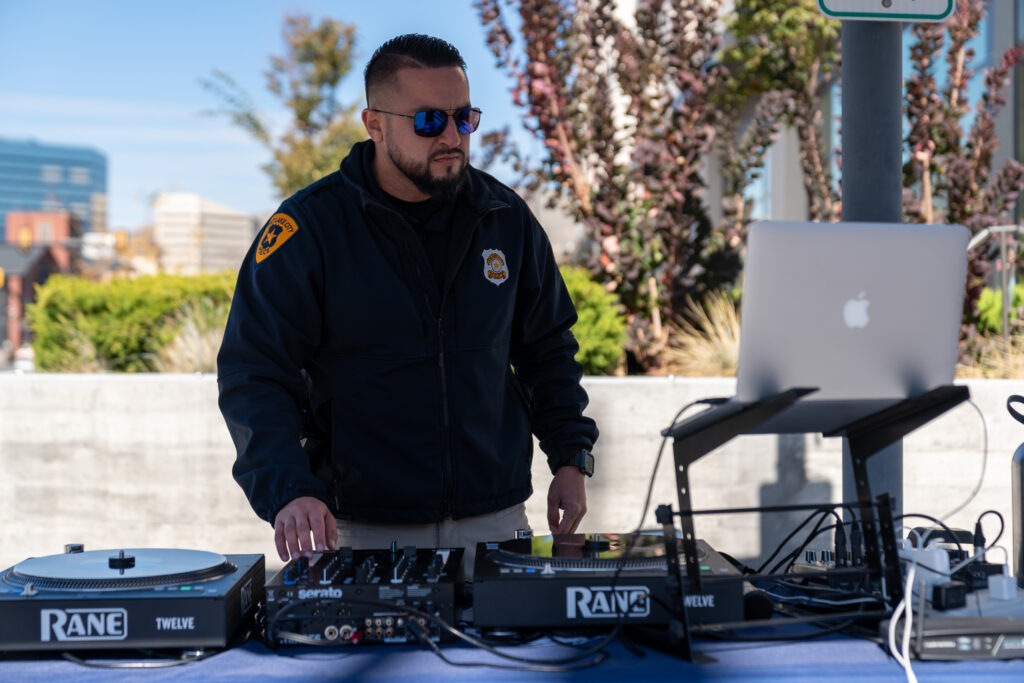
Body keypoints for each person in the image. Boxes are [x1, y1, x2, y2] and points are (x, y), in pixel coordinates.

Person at [217, 33, 598, 576]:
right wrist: (288, 490)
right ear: (374, 124)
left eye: (463, 118)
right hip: (360, 532)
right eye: (428, 122)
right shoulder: (309, 229)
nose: (451, 136)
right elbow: (253, 371)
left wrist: (569, 456)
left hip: (497, 523)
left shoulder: (505, 218)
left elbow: (548, 349)